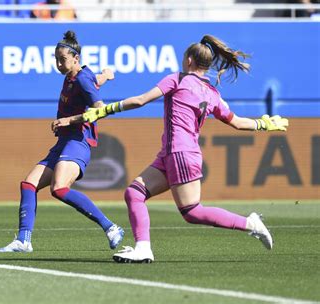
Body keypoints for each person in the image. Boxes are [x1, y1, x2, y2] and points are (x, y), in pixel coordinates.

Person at [72, 34, 289, 263]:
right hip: (171, 154)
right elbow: (236, 121)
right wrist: (263, 124)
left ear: (188, 61)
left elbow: (141, 100)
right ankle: (143, 248)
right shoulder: (213, 94)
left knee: (192, 211)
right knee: (134, 193)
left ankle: (250, 223)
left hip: (180, 153)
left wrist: (105, 110)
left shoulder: (177, 79)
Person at [0, 30, 124, 253]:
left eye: (62, 59)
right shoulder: (74, 76)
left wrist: (68, 120)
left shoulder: (82, 78)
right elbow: (93, 83)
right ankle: (23, 240)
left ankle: (111, 227)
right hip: (64, 142)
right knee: (29, 184)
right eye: (56, 59)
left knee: (59, 188)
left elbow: (100, 110)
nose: (58, 64)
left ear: (76, 58)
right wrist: (105, 76)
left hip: (78, 140)